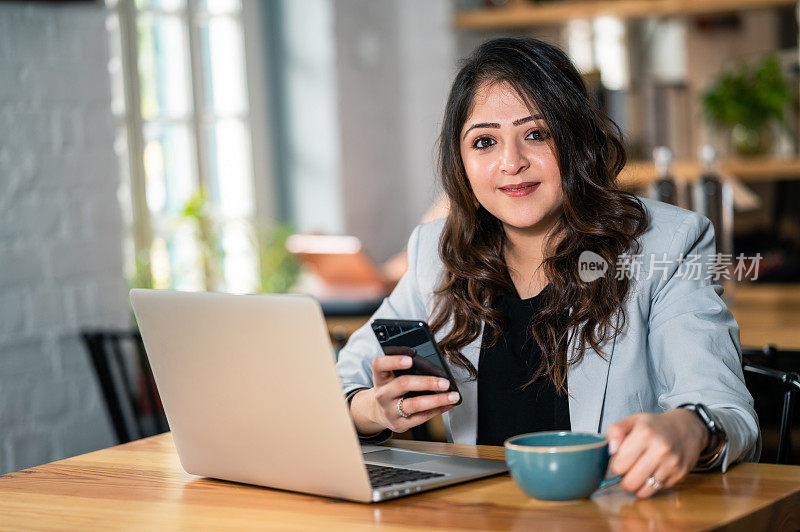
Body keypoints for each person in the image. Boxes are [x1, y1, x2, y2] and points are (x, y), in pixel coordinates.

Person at [336, 37, 759, 499]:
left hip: (618, 513)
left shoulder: (668, 243)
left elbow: (727, 411)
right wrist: (371, 412)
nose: (512, 162)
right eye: (485, 141)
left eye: (536, 134)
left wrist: (690, 427)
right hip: (481, 517)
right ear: (461, 162)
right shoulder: (437, 255)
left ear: (575, 139)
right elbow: (342, 381)